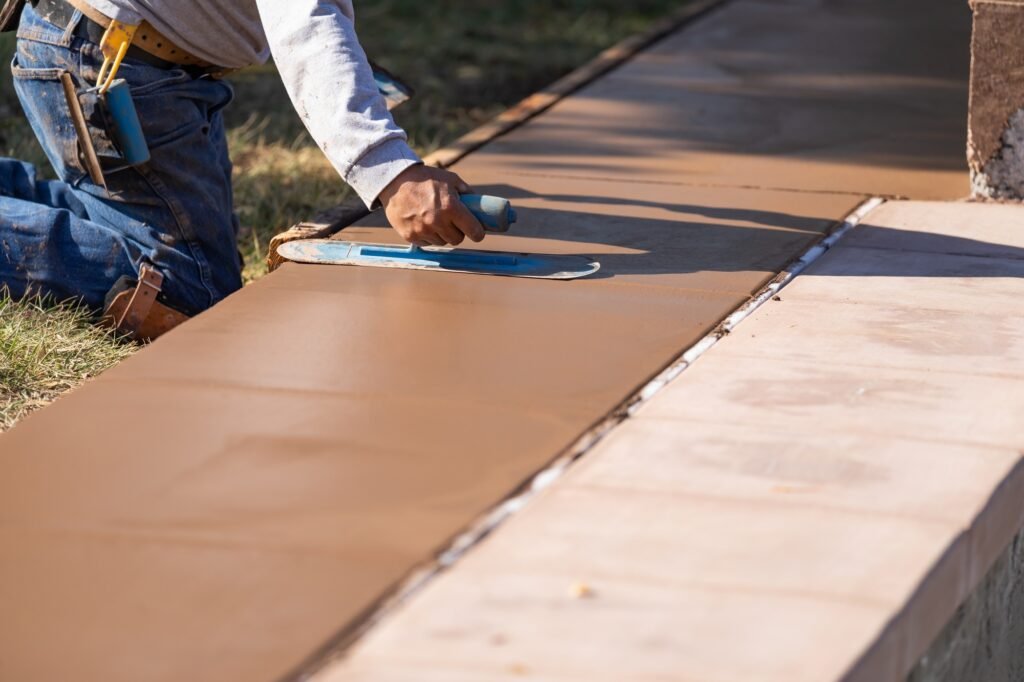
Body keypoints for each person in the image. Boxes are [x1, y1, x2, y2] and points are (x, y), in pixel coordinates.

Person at [0, 0, 485, 336]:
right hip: (112, 63)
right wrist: (390, 172)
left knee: (147, 236)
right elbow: (305, 21)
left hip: (122, 53)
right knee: (190, 292)